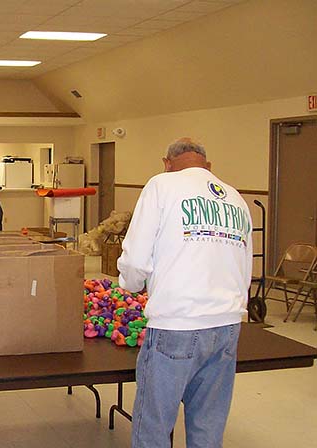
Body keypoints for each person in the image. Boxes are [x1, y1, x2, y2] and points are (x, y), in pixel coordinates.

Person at [117, 138, 252, 448]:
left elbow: (136, 260)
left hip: (177, 325)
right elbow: (245, 267)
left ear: (167, 163)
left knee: (153, 425)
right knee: (208, 423)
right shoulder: (235, 198)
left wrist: (130, 284)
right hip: (226, 325)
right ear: (208, 166)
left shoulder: (161, 185)